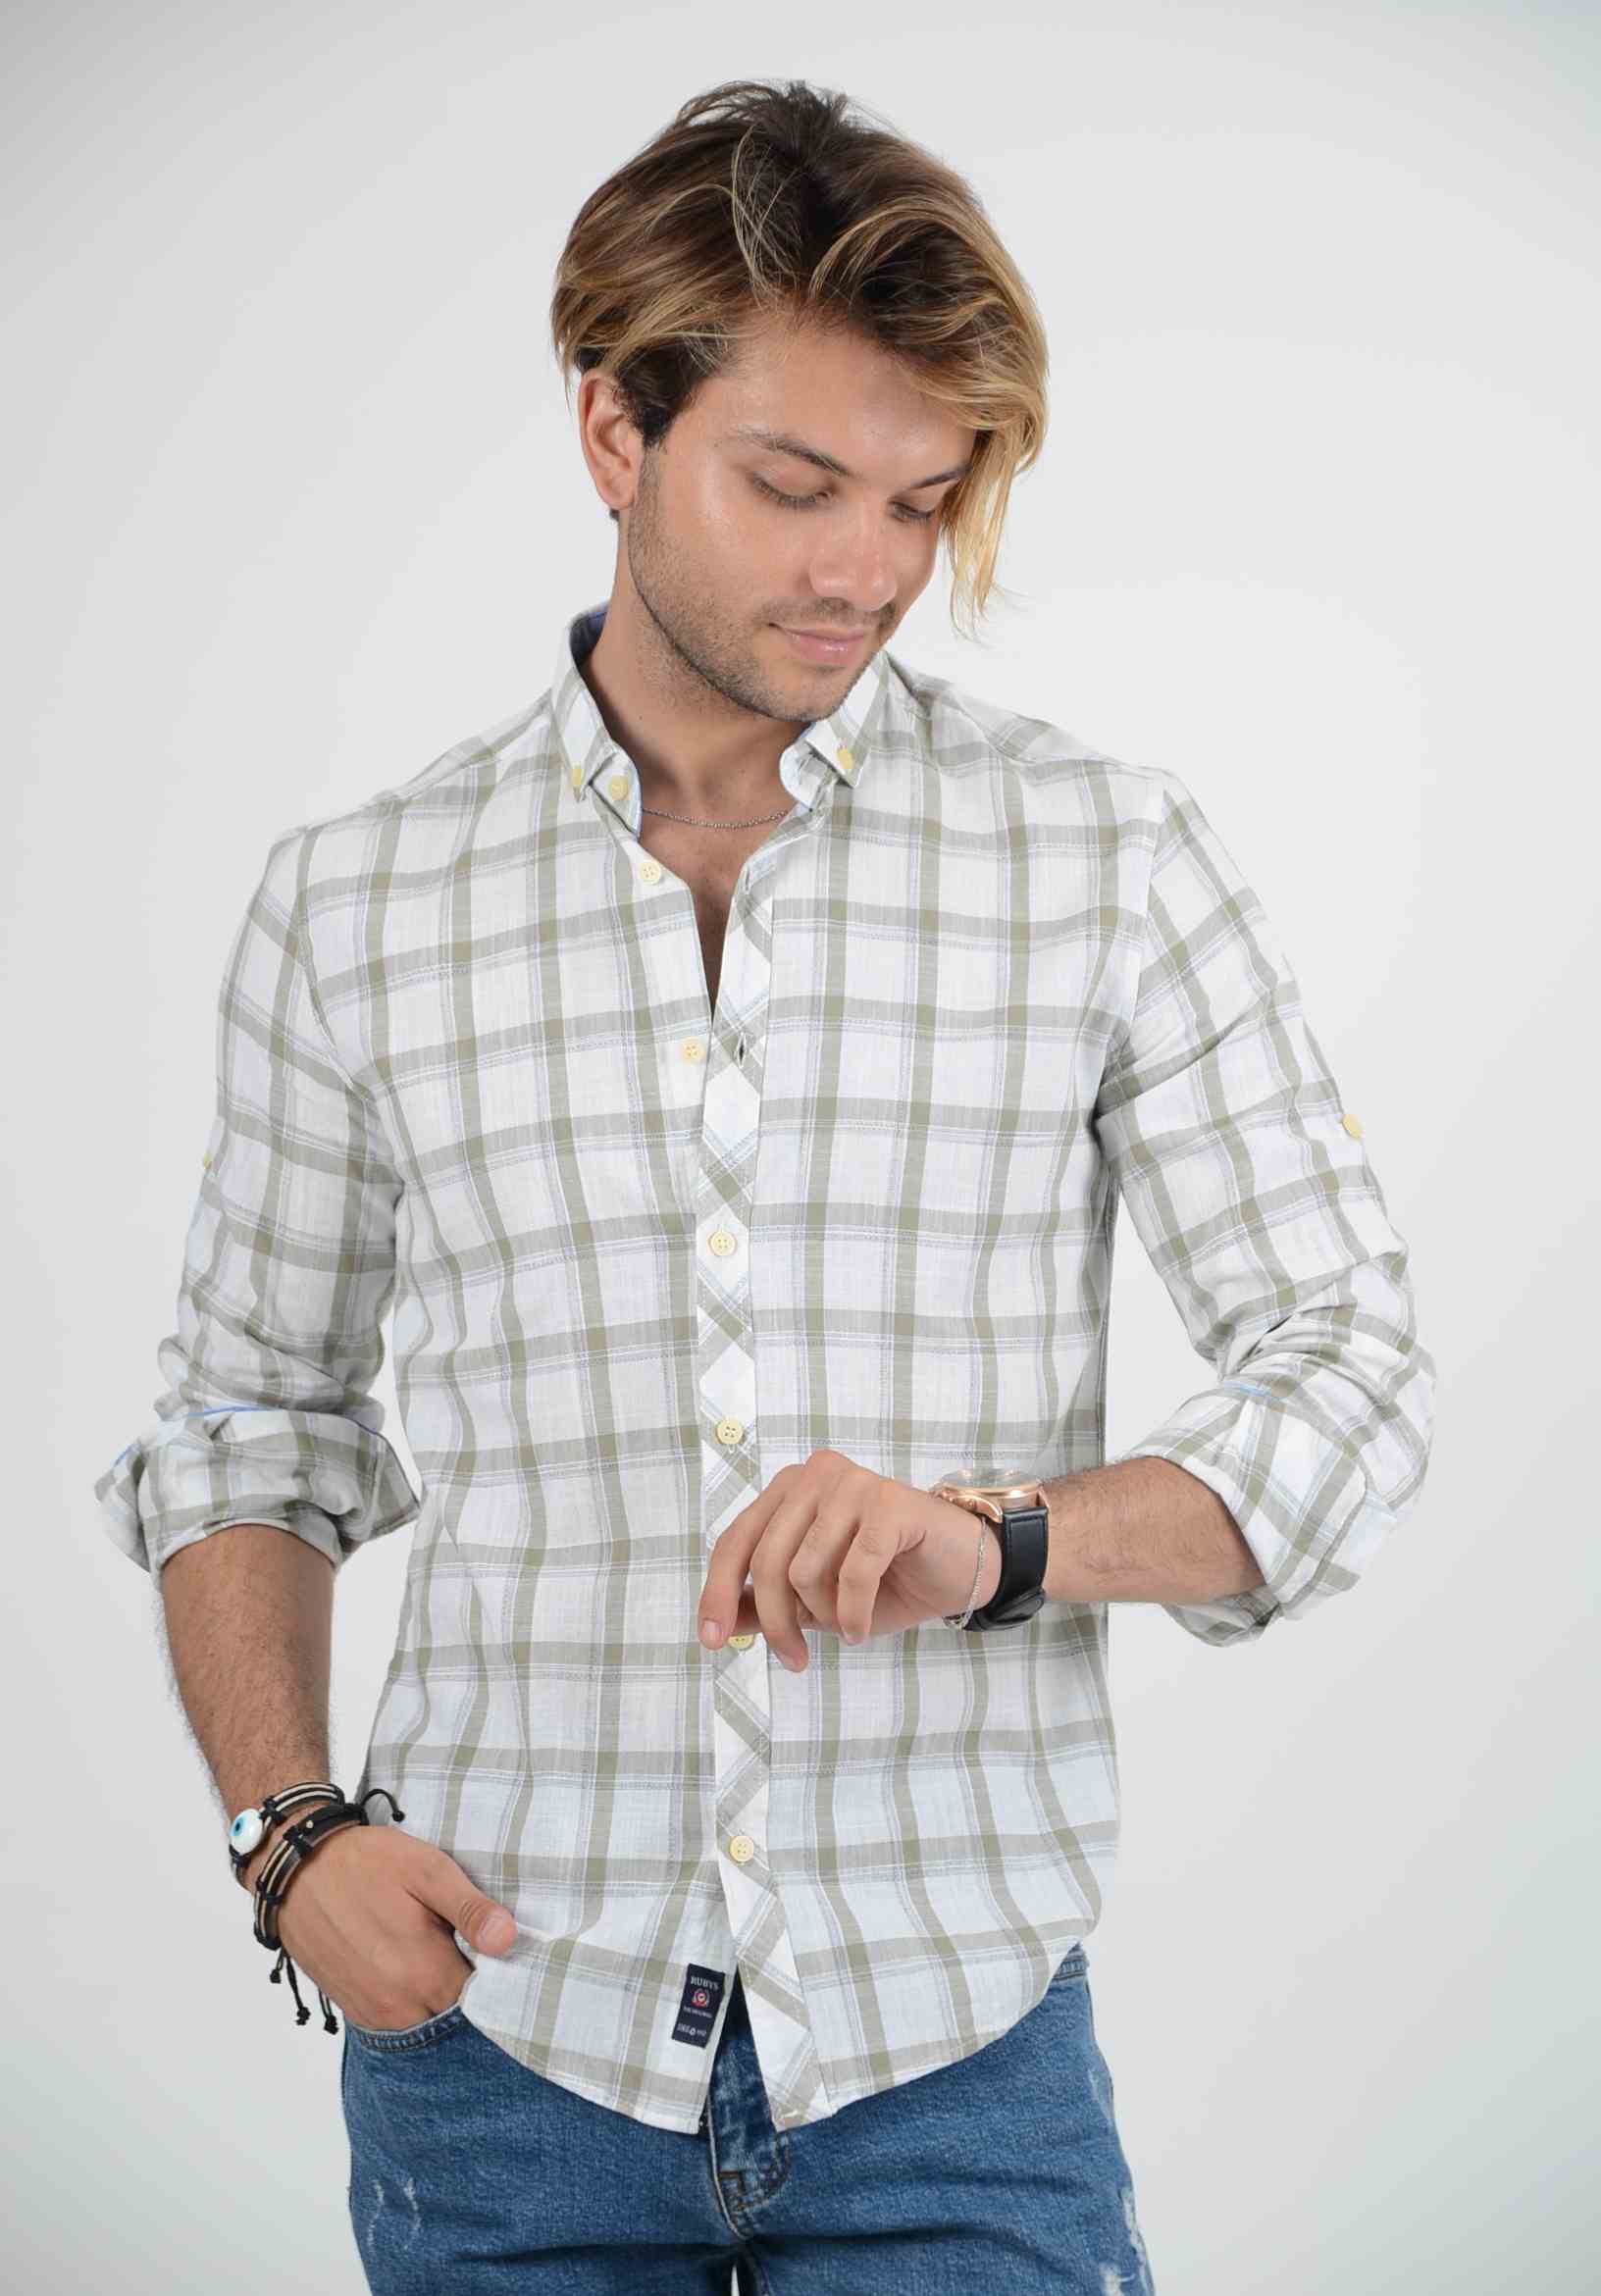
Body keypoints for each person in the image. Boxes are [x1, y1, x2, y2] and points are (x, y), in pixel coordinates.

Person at [94, 77, 1434, 2296]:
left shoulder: (1101, 860)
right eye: (794, 485)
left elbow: (1352, 1377)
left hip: (957, 2061)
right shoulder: (360, 905)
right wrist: (285, 1832)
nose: (864, 571)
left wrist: (1002, 1540)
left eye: (921, 499)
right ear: (611, 428)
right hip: (499, 2045)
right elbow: (250, 1423)